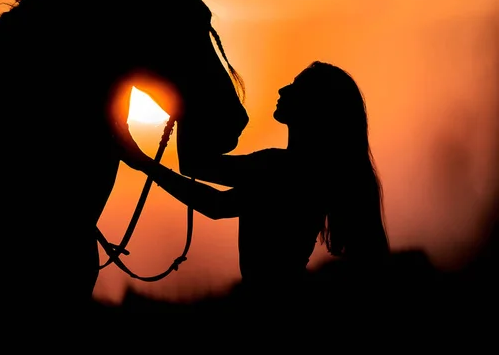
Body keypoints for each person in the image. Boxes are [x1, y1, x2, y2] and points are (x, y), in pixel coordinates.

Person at [114, 61, 390, 318]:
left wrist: (145, 163)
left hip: (270, 308)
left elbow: (215, 203)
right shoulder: (291, 167)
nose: (284, 89)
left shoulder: (280, 168)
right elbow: (195, 167)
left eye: (297, 86)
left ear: (313, 107)